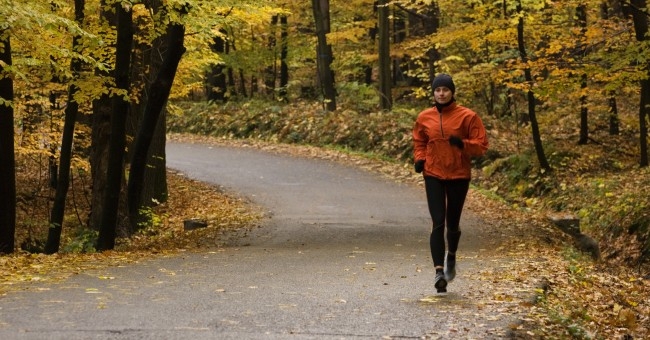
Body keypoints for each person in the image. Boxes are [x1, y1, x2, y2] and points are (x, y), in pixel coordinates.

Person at [412, 73, 488, 293]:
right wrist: (420, 159)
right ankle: (438, 272)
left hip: (458, 174)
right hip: (433, 173)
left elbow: (481, 146)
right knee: (438, 221)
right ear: (433, 92)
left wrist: (462, 144)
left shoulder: (468, 116)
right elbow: (419, 141)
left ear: (452, 92)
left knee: (452, 224)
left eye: (445, 90)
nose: (441, 93)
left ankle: (451, 256)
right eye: (437, 90)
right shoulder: (424, 117)